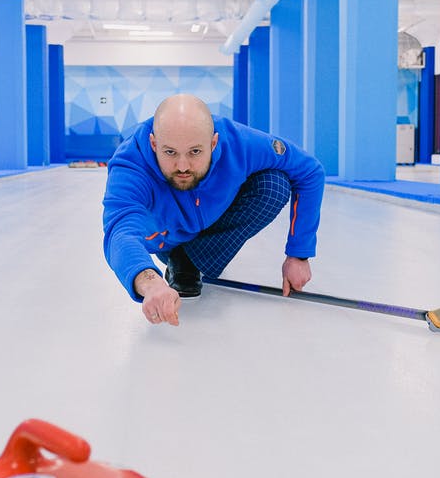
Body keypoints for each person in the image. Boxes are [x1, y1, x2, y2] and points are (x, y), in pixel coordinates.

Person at [102, 94, 325, 326]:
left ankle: (193, 259)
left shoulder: (239, 143)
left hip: (212, 220)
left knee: (274, 184)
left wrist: (298, 254)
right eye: (170, 152)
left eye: (195, 152)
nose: (183, 166)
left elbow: (309, 171)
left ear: (214, 143)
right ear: (154, 144)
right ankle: (179, 258)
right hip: (165, 237)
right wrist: (150, 282)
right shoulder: (131, 164)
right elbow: (120, 232)